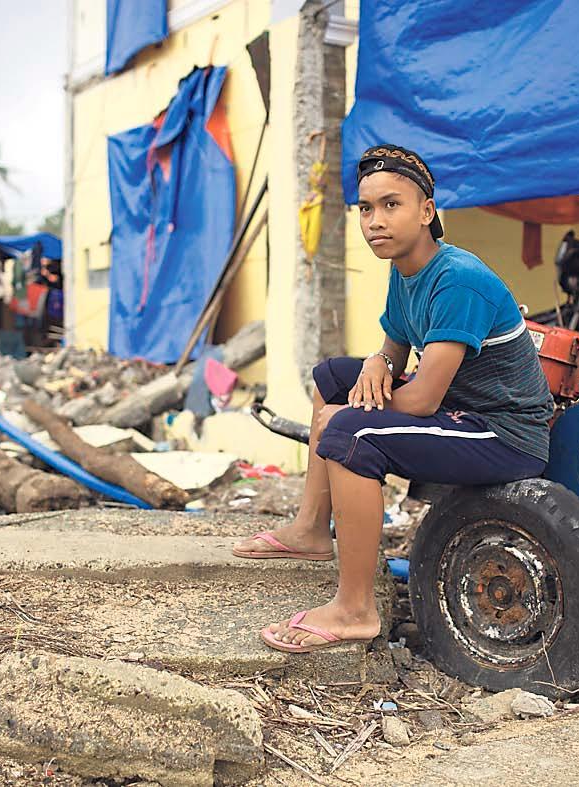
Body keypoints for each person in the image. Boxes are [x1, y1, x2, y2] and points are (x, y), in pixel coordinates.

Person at [232, 144, 554, 653]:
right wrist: (375, 364)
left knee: (347, 431)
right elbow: (391, 355)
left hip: (505, 434)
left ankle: (355, 609)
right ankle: (313, 529)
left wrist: (352, 414)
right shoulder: (404, 270)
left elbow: (422, 399)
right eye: (366, 208)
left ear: (427, 212)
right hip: (460, 408)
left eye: (391, 205)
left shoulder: (457, 280)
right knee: (332, 377)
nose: (374, 221)